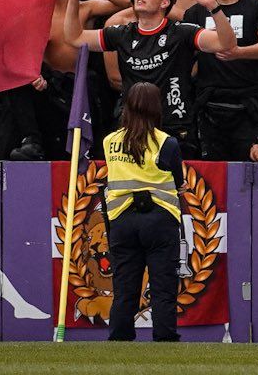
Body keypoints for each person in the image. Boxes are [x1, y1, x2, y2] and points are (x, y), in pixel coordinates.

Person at [100, 81, 185, 344]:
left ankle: (120, 338)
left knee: (124, 287)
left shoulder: (109, 141)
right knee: (163, 286)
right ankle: (164, 338)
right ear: (156, 107)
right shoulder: (166, 143)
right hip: (159, 219)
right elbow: (179, 181)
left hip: (122, 220)